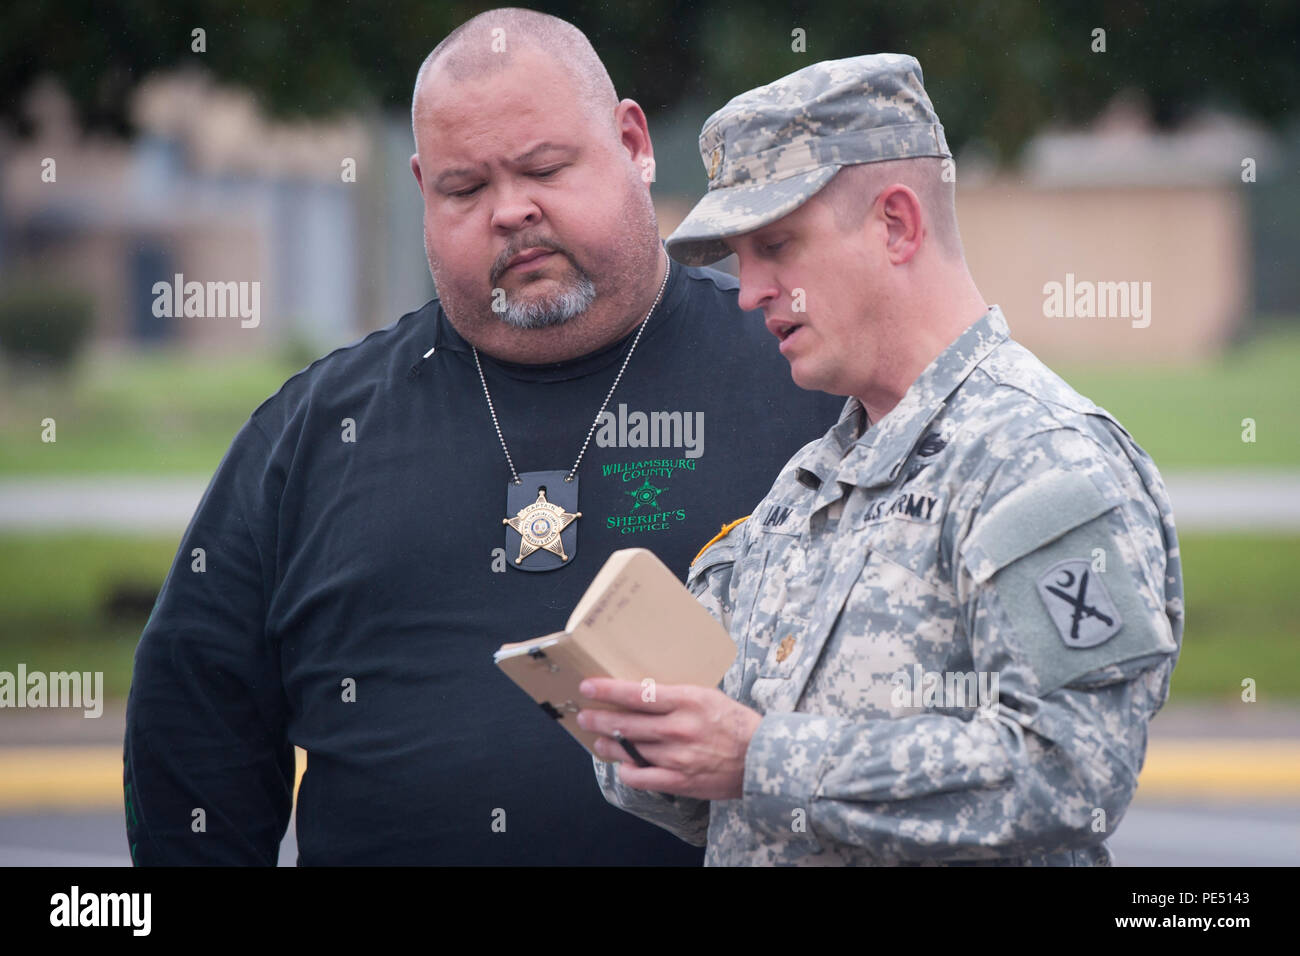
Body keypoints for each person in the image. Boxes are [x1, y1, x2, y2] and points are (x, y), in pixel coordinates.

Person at [122, 9, 842, 865]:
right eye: (465, 190)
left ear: (633, 141)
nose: (512, 212)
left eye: (544, 167)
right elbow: (192, 745)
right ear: (423, 188)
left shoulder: (810, 384)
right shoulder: (316, 435)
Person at [580, 53, 1184, 865]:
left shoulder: (1036, 460)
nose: (751, 289)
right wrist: (650, 745)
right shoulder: (805, 489)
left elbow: (1071, 771)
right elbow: (726, 809)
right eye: (740, 258)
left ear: (896, 224)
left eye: (776, 245)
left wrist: (764, 759)